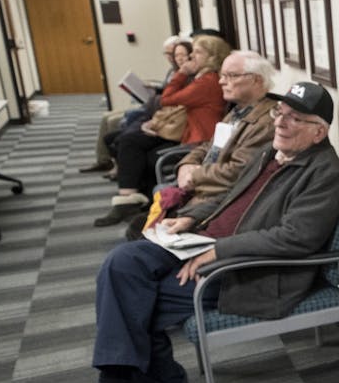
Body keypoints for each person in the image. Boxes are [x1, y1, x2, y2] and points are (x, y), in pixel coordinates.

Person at [34, 82, 339, 383]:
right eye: (281, 113)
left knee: (137, 304)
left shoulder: (325, 174)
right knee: (122, 262)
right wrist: (190, 217)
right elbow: (229, 198)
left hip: (247, 271)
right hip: (198, 242)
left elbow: (295, 237)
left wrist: (216, 253)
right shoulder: (270, 153)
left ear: (318, 132)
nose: (281, 122)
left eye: (296, 118)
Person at [124, 51, 278, 241]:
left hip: (218, 201)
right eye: (222, 75)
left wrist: (195, 175)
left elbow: (239, 171)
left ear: (256, 80)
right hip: (203, 190)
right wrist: (186, 164)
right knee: (139, 227)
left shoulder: (266, 122)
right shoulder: (239, 110)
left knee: (139, 235)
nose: (221, 81)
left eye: (231, 76)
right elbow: (209, 146)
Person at [95, 35, 228, 226]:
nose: (191, 56)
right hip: (189, 131)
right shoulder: (203, 78)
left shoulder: (207, 81)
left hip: (199, 137)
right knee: (134, 144)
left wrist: (181, 72)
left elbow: (167, 98)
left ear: (212, 56)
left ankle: (138, 203)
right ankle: (135, 200)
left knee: (145, 152)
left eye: (197, 52)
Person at [83, 35, 185, 174]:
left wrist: (157, 93)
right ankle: (104, 160)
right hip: (152, 103)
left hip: (158, 109)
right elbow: (166, 89)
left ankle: (117, 165)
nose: (170, 57)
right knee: (106, 117)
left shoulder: (182, 72)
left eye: (173, 53)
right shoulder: (172, 70)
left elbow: (171, 97)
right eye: (167, 54)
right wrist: (154, 89)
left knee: (115, 121)